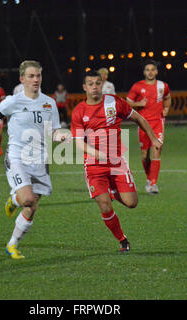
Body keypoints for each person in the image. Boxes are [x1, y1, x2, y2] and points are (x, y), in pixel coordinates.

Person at [0, 60, 69, 259]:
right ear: (22, 79)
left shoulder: (50, 103)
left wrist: (62, 136)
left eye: (38, 76)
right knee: (28, 199)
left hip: (40, 160)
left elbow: (54, 132)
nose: (36, 80)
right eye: (31, 76)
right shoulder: (13, 101)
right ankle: (15, 199)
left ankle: (12, 244)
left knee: (32, 205)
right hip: (16, 157)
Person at [71, 70, 162, 252]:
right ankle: (122, 240)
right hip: (94, 165)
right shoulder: (79, 111)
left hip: (117, 162)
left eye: (97, 83)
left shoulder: (113, 102)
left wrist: (153, 139)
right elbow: (79, 144)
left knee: (131, 203)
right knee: (104, 204)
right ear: (84, 87)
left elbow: (138, 118)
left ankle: (110, 191)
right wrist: (98, 155)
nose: (94, 87)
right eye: (90, 84)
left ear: (102, 84)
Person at [126, 60, 171, 195]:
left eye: (153, 69)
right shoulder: (137, 86)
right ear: (144, 72)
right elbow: (128, 103)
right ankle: (149, 179)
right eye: (147, 70)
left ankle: (153, 184)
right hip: (143, 123)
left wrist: (167, 108)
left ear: (156, 71)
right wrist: (139, 103)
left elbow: (168, 98)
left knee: (157, 150)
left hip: (158, 122)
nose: (150, 72)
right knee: (145, 155)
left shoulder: (163, 86)